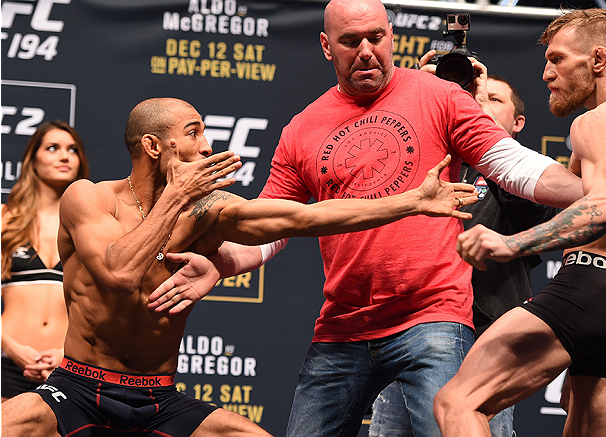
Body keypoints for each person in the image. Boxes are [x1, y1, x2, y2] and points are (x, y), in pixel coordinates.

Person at [148, 2, 606, 436]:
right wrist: (228, 263)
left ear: (391, 36)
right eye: (351, 40)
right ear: (326, 46)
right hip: (343, 324)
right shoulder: (301, 128)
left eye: (376, 37)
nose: (366, 50)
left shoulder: (436, 94)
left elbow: (512, 164)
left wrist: (598, 192)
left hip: (432, 316)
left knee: (459, 414)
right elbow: (277, 222)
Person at [0, 96, 477, 437]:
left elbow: (305, 216)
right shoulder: (89, 197)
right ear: (153, 147)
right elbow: (120, 272)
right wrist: (178, 196)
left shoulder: (208, 211)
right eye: (193, 133)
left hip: (157, 398)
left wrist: (412, 201)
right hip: (81, 387)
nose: (208, 146)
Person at [434, 9, 606, 437]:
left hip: (588, 288)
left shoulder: (600, 120)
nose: (545, 74)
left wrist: (511, 244)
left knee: (458, 402)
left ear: (597, 60)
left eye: (556, 59)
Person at [369, 73, 560, 437]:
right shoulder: (428, 166)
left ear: (518, 123)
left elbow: (536, 217)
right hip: (408, 330)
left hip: (485, 339)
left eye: (494, 100)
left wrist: (482, 125)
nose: (478, 103)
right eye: (473, 98)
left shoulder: (530, 173)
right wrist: (417, 100)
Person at [1, 121, 89, 403]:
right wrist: (12, 349)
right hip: (7, 361)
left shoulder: (94, 228)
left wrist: (68, 355)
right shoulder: (5, 219)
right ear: (33, 160)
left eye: (72, 150)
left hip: (69, 366)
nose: (64, 156)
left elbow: (107, 308)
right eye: (53, 148)